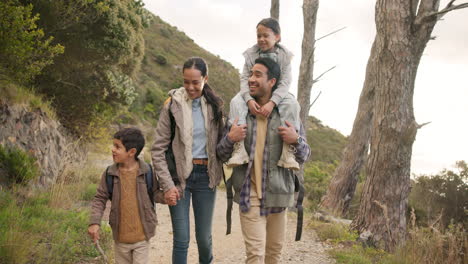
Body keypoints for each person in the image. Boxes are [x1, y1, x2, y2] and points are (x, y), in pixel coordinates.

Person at [217, 57, 310, 264]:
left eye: (258, 75)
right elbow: (222, 155)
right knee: (255, 255)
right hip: (248, 195)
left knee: (273, 256)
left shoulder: (286, 113)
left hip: (278, 193)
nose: (251, 79)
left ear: (272, 82)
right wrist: (230, 139)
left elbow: (304, 156)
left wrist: (295, 141)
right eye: (250, 74)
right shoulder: (240, 113)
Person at [151, 57, 224, 264]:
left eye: (195, 82)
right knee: (181, 240)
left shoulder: (215, 107)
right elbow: (158, 149)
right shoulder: (171, 105)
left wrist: (233, 137)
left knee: (203, 239)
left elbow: (222, 148)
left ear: (205, 79)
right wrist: (167, 185)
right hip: (178, 179)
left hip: (205, 178)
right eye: (186, 82)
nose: (190, 87)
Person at [227, 17, 301, 170]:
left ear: (277, 37)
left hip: (278, 94)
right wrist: (248, 99)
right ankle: (239, 148)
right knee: (236, 101)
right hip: (252, 92)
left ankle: (288, 152)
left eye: (266, 35)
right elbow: (244, 79)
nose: (261, 39)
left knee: (292, 103)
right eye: (259, 36)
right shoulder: (250, 55)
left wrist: (272, 102)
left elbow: (285, 82)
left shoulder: (285, 56)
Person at [88, 127, 163, 264]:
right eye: (114, 145)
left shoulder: (147, 171)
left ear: (131, 152)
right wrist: (94, 222)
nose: (113, 149)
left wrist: (167, 197)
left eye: (118, 147)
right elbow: (100, 198)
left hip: (142, 238)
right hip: (120, 240)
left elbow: (155, 194)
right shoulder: (109, 173)